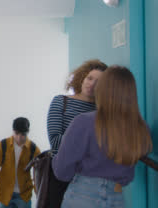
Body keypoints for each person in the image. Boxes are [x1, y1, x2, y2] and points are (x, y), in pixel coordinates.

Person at [52, 66, 153, 207]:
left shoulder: (83, 122)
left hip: (82, 195)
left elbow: (62, 171)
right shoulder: (141, 129)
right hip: (117, 198)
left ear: (102, 90)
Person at [46, 59, 107, 207]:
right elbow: (55, 141)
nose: (91, 84)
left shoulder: (103, 112)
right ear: (82, 77)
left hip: (89, 179)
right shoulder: (61, 101)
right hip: (59, 175)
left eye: (98, 82)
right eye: (90, 78)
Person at [0, 117, 41, 208]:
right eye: (16, 133)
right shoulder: (2, 146)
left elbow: (39, 175)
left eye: (23, 134)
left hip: (24, 196)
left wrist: (39, 195)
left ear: (27, 132)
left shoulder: (33, 149)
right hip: (5, 195)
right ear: (13, 131)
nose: (19, 137)